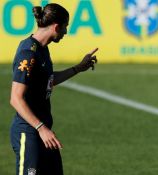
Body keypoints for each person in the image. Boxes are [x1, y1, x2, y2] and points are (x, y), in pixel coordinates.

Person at [10, 3, 98, 175]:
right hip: (29, 132)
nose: (66, 32)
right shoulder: (28, 53)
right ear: (57, 26)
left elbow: (48, 80)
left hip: (43, 131)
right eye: (65, 27)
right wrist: (41, 128)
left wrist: (77, 68)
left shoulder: (42, 49)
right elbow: (15, 98)